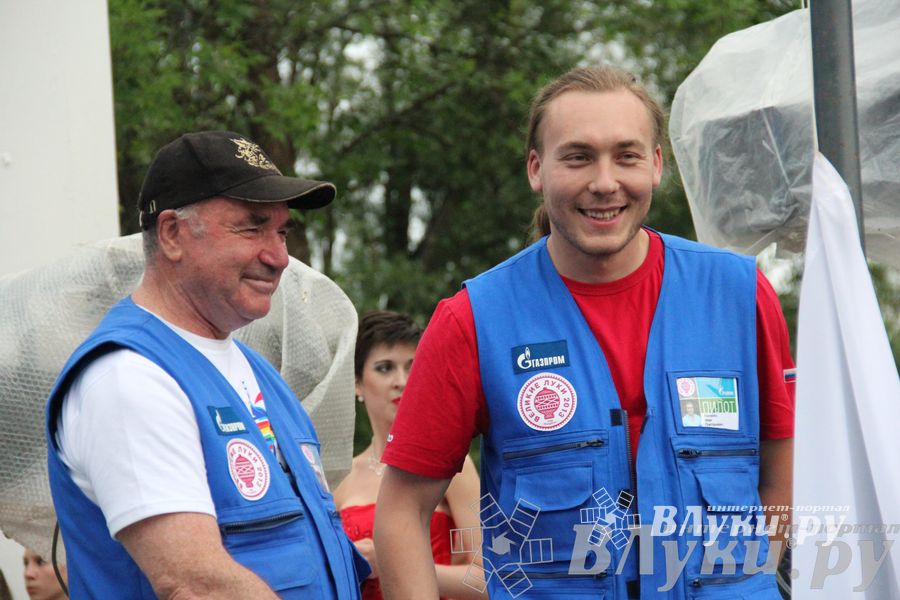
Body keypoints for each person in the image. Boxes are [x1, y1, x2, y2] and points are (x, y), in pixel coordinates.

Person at [375, 66, 794, 598]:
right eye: (578, 156)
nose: (604, 181)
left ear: (657, 164)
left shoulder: (738, 294)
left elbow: (780, 470)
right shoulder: (474, 319)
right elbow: (402, 511)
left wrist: (747, 582)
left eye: (627, 155)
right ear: (536, 169)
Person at [46, 131, 369, 598]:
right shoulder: (128, 378)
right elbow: (195, 584)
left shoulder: (258, 374)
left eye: (281, 231)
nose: (279, 257)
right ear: (173, 234)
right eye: (252, 226)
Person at [333, 311, 484, 600]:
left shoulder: (454, 465)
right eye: (384, 368)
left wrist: (391, 564)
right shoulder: (340, 477)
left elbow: (491, 577)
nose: (401, 381)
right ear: (356, 383)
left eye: (412, 366)